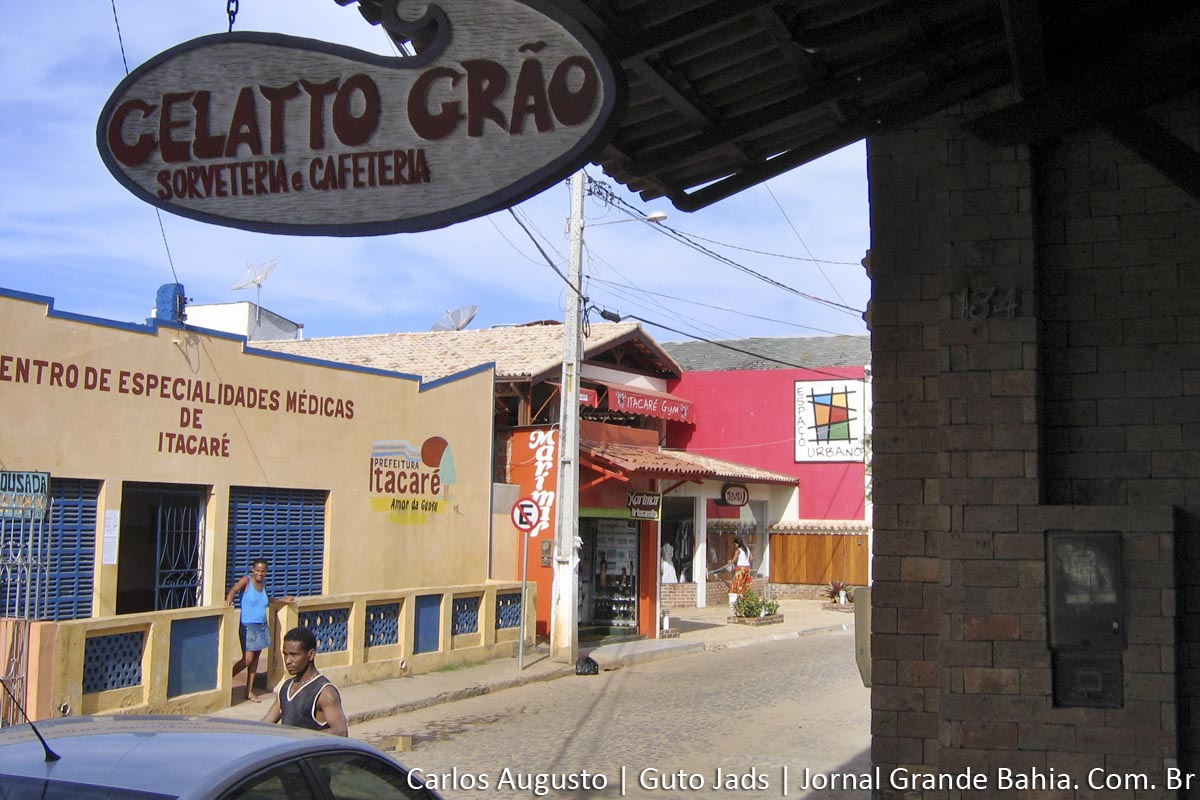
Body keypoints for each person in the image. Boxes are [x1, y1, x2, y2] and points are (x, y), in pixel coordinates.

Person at [225, 558, 293, 703]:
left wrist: (283, 600)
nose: (260, 573)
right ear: (253, 570)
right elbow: (234, 590)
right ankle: (225, 680)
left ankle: (248, 691)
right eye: (257, 570)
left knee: (255, 660)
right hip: (248, 626)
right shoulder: (246, 581)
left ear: (266, 572)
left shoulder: (263, 585)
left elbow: (267, 600)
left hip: (262, 626)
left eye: (263, 571)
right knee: (247, 659)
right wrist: (229, 600)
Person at [261, 626, 348, 736]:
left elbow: (340, 731)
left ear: (310, 655)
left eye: (294, 655)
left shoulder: (325, 692)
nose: (288, 660)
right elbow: (267, 721)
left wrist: (304, 738)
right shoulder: (287, 687)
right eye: (285, 654)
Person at [722, 536, 753, 609]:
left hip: (740, 569)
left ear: (737, 544)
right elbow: (751, 558)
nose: (734, 546)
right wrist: (747, 562)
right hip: (747, 568)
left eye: (735, 544)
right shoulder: (747, 549)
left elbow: (733, 560)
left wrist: (726, 565)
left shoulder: (738, 550)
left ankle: (737, 600)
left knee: (737, 583)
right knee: (745, 584)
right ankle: (745, 599)